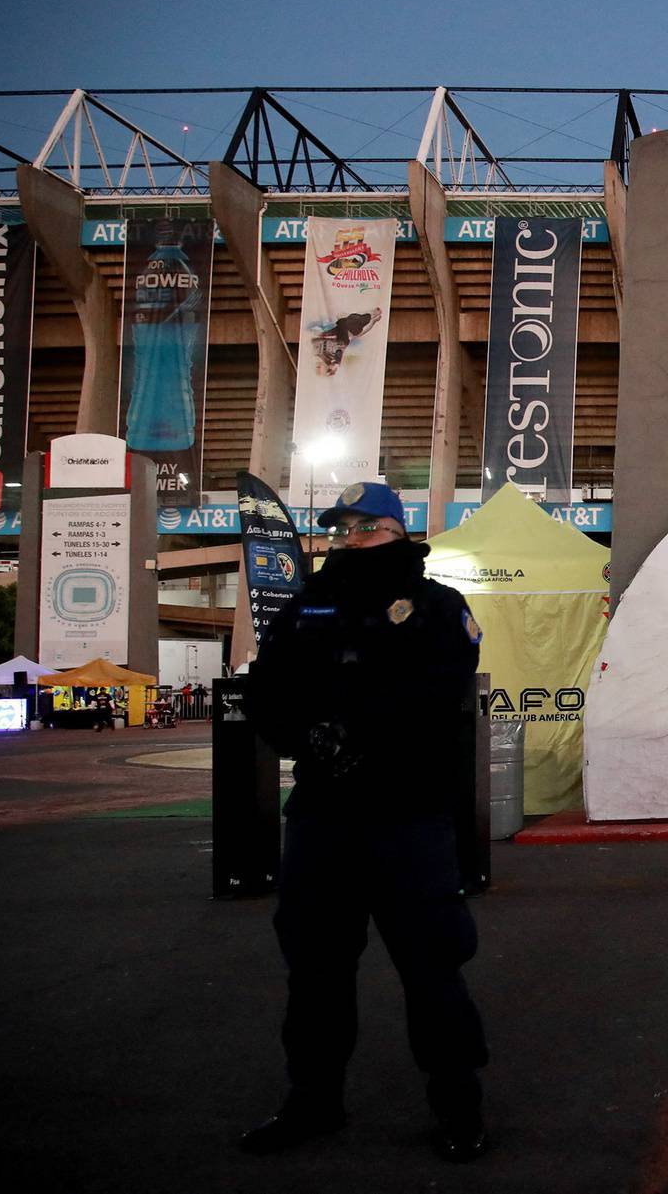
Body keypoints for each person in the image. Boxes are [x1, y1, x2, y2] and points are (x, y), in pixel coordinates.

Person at [240, 480, 491, 1162]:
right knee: (314, 972)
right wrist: (306, 736)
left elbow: (442, 690)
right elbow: (266, 689)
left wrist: (364, 735)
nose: (350, 540)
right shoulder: (308, 605)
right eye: (341, 529)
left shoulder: (438, 607)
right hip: (323, 816)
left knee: (432, 967)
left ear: (396, 530)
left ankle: (458, 1105)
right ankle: (311, 1100)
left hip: (407, 816)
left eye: (364, 527)